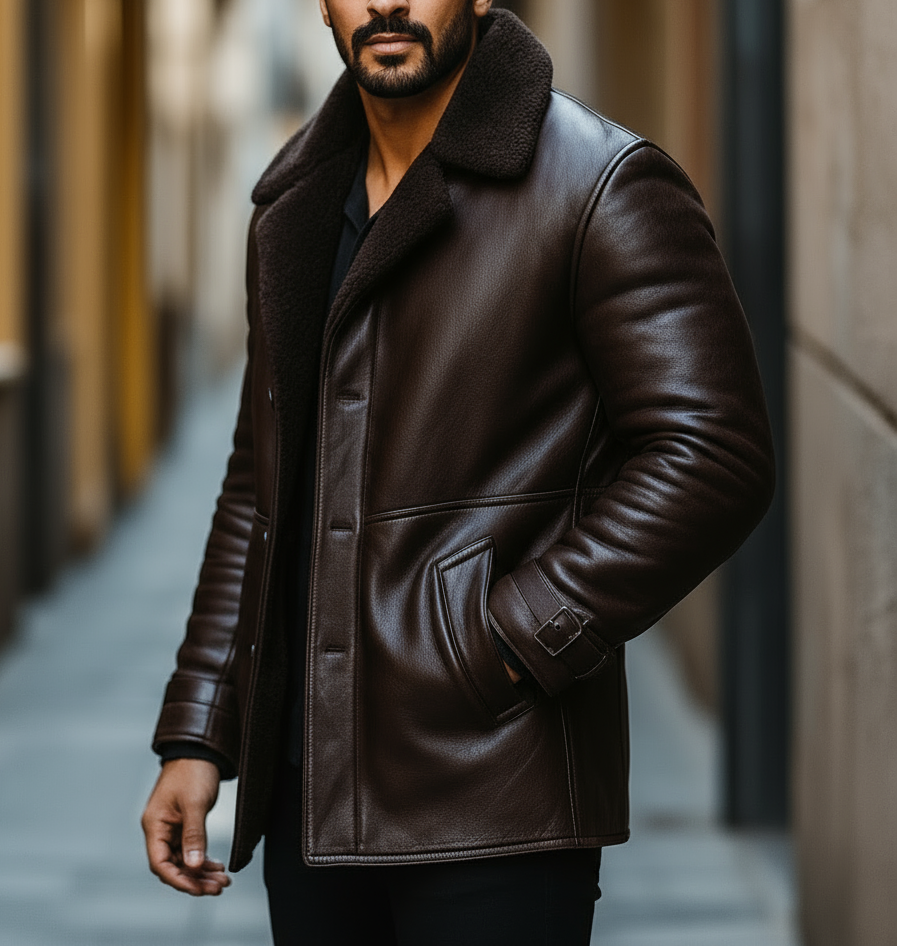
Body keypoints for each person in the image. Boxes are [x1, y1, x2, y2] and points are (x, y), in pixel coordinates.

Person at [141, 2, 775, 944]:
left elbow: (712, 454)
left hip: (495, 791)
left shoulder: (600, 182)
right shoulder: (294, 208)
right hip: (308, 794)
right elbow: (259, 483)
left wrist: (508, 638)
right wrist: (201, 728)